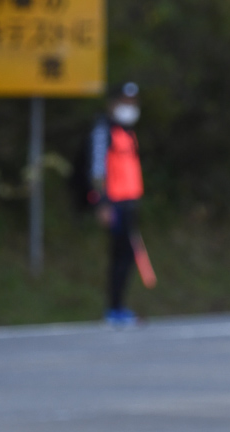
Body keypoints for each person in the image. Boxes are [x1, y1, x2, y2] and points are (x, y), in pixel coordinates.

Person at [90, 82, 145, 326]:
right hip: (114, 205)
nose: (129, 107)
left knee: (128, 255)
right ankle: (114, 308)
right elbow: (97, 170)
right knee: (120, 256)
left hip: (130, 203)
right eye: (125, 102)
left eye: (132, 103)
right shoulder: (104, 130)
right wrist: (102, 203)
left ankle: (119, 306)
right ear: (113, 103)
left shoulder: (127, 132)